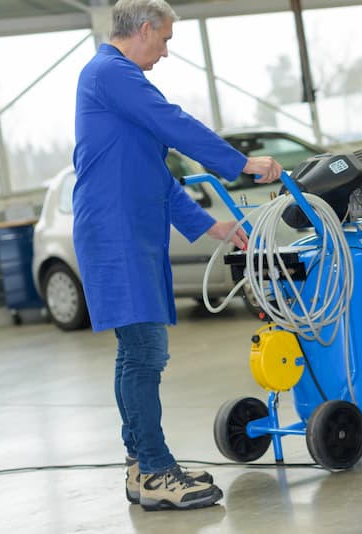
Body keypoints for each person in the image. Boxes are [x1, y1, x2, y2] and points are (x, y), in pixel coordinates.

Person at [72, 0, 283, 511]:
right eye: (164, 40)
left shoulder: (115, 82)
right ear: (143, 30)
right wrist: (242, 163)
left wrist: (212, 226)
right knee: (145, 353)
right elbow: (174, 122)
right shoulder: (110, 73)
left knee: (137, 353)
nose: (165, 52)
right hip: (116, 234)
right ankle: (156, 469)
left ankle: (143, 465)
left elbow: (157, 176)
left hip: (128, 233)